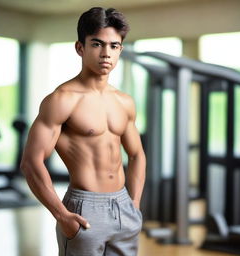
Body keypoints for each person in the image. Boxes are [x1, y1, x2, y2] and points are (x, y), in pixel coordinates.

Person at [20, 6, 146, 256]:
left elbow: (136, 155)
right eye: (97, 44)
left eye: (114, 46)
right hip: (85, 208)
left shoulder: (124, 101)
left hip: (123, 207)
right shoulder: (62, 100)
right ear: (80, 48)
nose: (106, 53)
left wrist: (134, 205)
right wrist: (62, 215)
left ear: (120, 49)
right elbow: (31, 162)